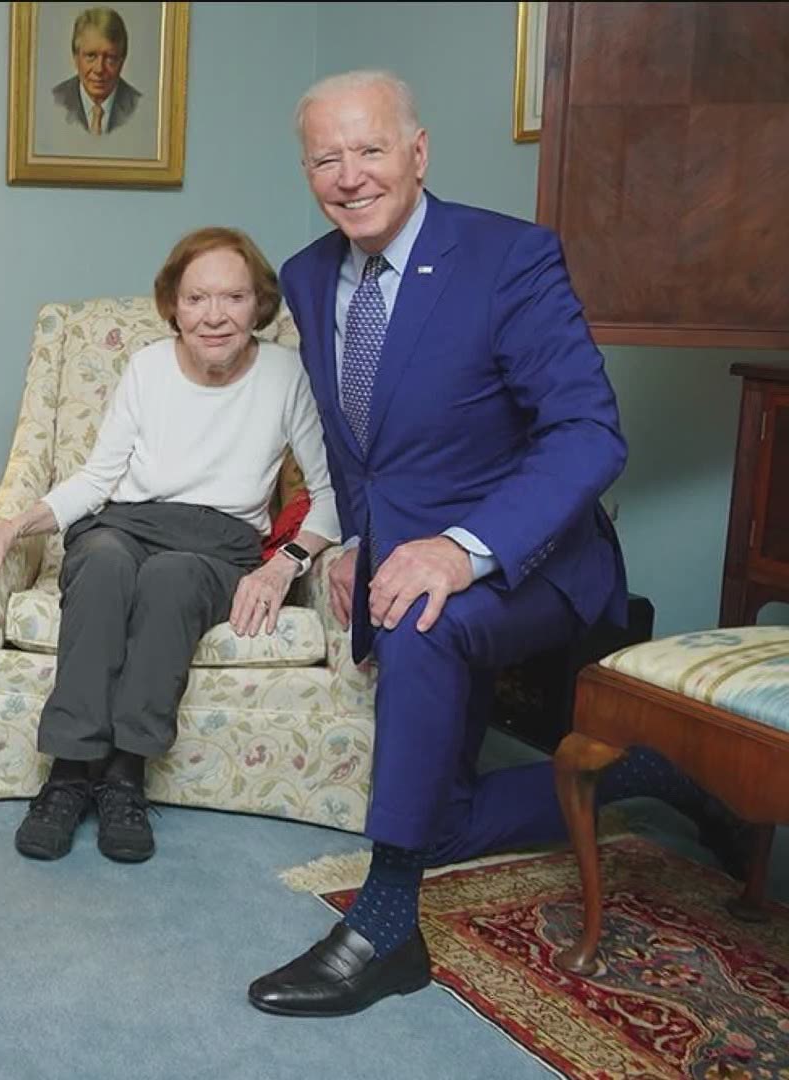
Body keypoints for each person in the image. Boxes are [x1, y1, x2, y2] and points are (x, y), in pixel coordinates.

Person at [247, 69, 743, 1018]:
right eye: (326, 157)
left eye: (372, 149)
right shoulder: (308, 276)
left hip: (534, 560)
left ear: (419, 152)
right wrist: (351, 542)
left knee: (424, 621)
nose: (350, 175)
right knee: (436, 817)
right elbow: (363, 452)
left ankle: (386, 928)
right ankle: (637, 775)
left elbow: (591, 432)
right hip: (400, 559)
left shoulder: (508, 258)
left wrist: (462, 549)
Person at [0, 227, 340, 865]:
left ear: (258, 305)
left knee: (171, 581)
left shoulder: (286, 373)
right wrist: (13, 525)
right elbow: (99, 478)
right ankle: (70, 773)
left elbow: (330, 492)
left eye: (233, 298)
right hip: (126, 522)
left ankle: (126, 775)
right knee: (98, 565)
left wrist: (283, 566)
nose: (214, 316)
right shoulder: (149, 366)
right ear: (174, 307)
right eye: (197, 299)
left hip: (218, 542)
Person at [51, 7, 142, 136]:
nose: (99, 69)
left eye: (110, 58)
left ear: (122, 61)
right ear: (76, 58)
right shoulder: (55, 101)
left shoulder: (141, 108)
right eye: (91, 56)